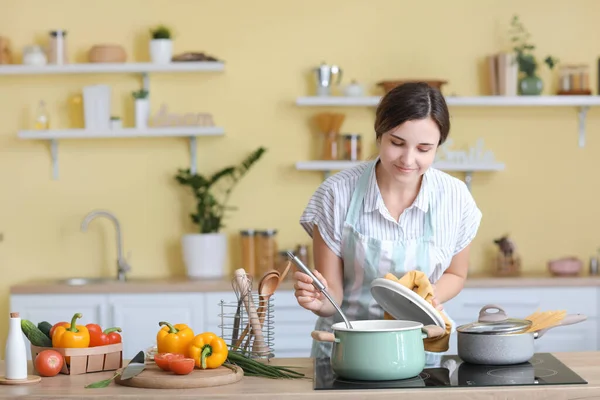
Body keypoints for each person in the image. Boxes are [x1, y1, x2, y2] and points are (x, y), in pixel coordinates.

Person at [294, 82, 483, 362]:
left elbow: (456, 275)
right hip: (348, 351)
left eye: (424, 148)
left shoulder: (455, 198)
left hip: (421, 350)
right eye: (397, 143)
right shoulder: (336, 194)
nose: (408, 159)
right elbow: (331, 294)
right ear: (379, 134)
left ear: (438, 146)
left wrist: (425, 299)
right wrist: (318, 301)